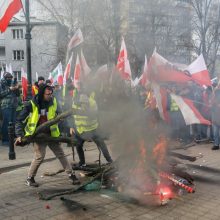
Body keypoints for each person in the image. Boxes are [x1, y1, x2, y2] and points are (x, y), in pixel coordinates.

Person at [15, 84, 80, 187]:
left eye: (51, 93)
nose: (50, 95)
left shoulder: (53, 101)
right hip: (37, 135)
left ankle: (71, 175)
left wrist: (69, 127)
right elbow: (18, 120)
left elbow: (61, 114)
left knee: (61, 154)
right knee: (39, 157)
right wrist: (19, 135)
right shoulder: (31, 104)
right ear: (41, 94)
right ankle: (29, 178)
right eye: (48, 93)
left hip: (51, 134)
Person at [69, 90, 113, 167]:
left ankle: (110, 160)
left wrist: (86, 111)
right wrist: (72, 127)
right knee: (78, 145)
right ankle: (82, 163)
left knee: (101, 144)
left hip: (93, 129)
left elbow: (94, 115)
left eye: (85, 103)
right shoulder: (75, 103)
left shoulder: (92, 103)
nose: (83, 105)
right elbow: (71, 115)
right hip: (80, 129)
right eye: (82, 103)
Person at [0, 72, 20, 145]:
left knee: (13, 123)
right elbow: (1, 94)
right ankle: (5, 140)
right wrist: (10, 89)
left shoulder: (12, 83)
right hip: (5, 106)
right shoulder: (1, 84)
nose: (10, 79)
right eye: (8, 77)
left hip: (14, 105)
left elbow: (17, 94)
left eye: (10, 77)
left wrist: (16, 88)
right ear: (5, 78)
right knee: (6, 123)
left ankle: (11, 140)